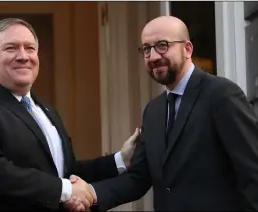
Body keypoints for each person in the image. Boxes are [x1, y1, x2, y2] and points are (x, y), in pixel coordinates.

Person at [0, 18, 139, 211]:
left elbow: (62, 172)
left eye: (30, 48)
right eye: (11, 48)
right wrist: (65, 190)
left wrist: (120, 160)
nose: (23, 56)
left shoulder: (43, 109)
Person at [70, 15, 258, 211]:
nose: (153, 56)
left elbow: (253, 170)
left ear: (187, 49)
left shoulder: (221, 94)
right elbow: (138, 178)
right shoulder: (154, 111)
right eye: (146, 49)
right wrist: (91, 193)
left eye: (162, 45)